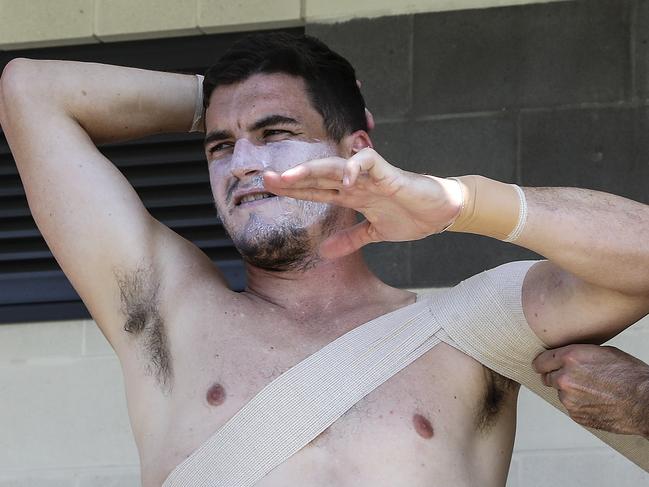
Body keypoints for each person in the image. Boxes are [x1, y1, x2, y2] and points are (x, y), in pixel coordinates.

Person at [0, 32, 648, 486]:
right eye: (220, 146)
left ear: (354, 150)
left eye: (274, 134)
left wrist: (459, 200)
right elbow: (30, 90)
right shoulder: (167, 316)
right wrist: (224, 98)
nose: (243, 165)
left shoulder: (465, 332)